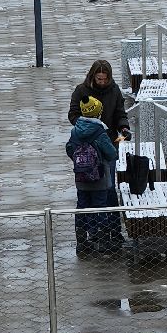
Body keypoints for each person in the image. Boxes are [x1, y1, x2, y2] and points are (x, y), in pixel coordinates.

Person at [67, 95, 121, 251]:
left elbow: (69, 149)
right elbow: (111, 154)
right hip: (100, 178)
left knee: (82, 206)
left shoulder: (75, 131)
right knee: (100, 207)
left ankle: (82, 243)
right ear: (98, 113)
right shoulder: (100, 132)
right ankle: (104, 242)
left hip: (81, 178)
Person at [67, 60, 130, 141]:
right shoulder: (81, 90)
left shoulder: (115, 90)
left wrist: (123, 127)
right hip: (87, 138)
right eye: (99, 79)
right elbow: (73, 114)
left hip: (109, 138)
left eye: (105, 79)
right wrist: (86, 126)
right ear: (93, 76)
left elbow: (120, 113)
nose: (102, 82)